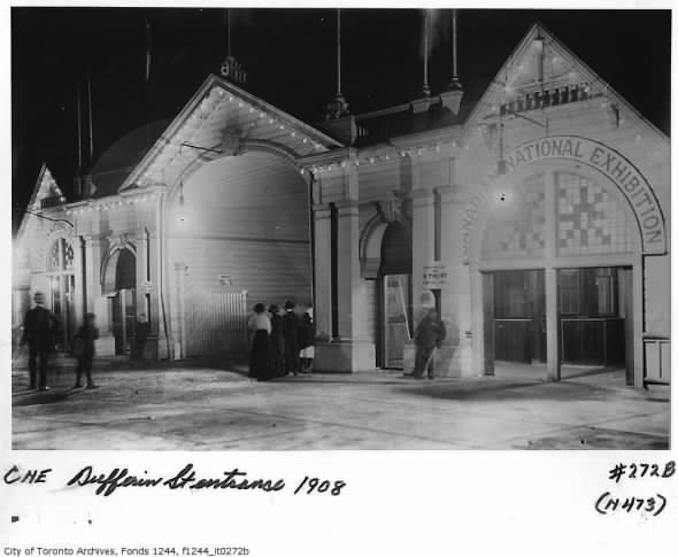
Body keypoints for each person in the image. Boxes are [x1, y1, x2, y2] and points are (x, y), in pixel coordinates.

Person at [20, 291, 59, 391]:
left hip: (33, 340)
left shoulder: (30, 313)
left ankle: (33, 384)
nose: (39, 299)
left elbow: (26, 328)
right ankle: (42, 385)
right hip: (44, 341)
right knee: (42, 364)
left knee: (33, 363)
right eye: (39, 298)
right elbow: (58, 323)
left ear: (35, 300)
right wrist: (51, 333)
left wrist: (23, 340)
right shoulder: (47, 312)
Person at [407, 307, 446, 380]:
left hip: (431, 343)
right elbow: (418, 330)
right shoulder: (425, 321)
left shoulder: (438, 322)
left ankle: (429, 374)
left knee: (429, 360)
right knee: (420, 359)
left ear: (436, 314)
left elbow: (443, 334)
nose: (432, 314)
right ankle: (418, 373)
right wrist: (416, 340)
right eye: (431, 313)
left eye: (433, 313)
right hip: (422, 343)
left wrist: (438, 341)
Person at [73, 313, 99, 389]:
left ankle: (78, 382)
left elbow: (77, 336)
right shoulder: (92, 327)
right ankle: (89, 383)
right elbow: (96, 337)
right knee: (88, 367)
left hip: (82, 350)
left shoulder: (82, 328)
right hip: (88, 349)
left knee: (80, 367)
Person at [247, 303, 271, 381]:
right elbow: (269, 329)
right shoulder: (266, 318)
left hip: (257, 336)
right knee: (264, 356)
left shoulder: (253, 318)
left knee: (255, 355)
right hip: (265, 337)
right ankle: (264, 373)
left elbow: (250, 327)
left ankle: (254, 373)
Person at [282, 300, 300, 376]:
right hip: (295, 337)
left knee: (287, 354)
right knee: (295, 354)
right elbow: (299, 327)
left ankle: (288, 369)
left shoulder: (284, 317)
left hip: (286, 337)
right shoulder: (296, 317)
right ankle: (295, 370)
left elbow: (283, 328)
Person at [268, 304, 286, 377]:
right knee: (281, 354)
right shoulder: (281, 318)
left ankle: (276, 370)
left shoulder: (271, 319)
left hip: (273, 337)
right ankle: (282, 370)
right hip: (281, 337)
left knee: (274, 355)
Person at [298, 307, 315, 374]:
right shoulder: (312, 327)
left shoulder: (302, 327)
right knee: (309, 358)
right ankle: (308, 369)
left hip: (304, 345)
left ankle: (304, 369)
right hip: (310, 344)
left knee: (303, 358)